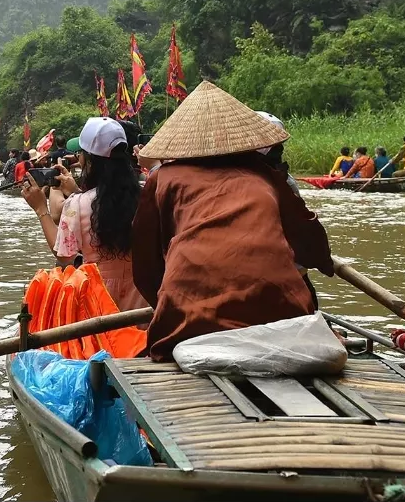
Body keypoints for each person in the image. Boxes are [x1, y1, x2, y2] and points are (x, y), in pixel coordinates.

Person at [131, 81, 334, 362]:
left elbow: (145, 264)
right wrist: (324, 264)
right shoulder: (267, 176)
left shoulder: (163, 177)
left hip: (190, 317)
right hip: (282, 314)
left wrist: (166, 306)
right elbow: (312, 244)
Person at [22, 117, 148, 313]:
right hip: (141, 300)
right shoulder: (147, 195)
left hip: (97, 303)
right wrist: (77, 191)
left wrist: (40, 209)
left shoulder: (78, 203)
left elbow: (64, 255)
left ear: (88, 160)